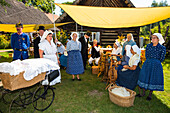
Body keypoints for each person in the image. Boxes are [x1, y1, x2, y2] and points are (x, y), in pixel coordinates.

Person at [137, 33, 166, 101]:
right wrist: (150, 61)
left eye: (154, 38)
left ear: (158, 39)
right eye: (152, 37)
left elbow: (162, 58)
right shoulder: (148, 46)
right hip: (148, 63)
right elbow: (146, 55)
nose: (152, 39)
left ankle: (150, 95)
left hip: (156, 65)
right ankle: (143, 93)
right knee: (144, 76)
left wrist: (155, 62)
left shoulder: (162, 48)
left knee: (153, 78)